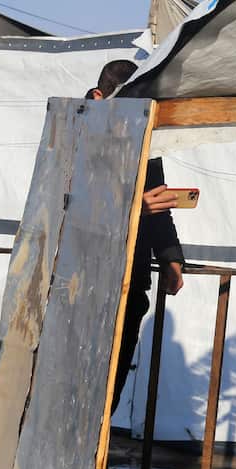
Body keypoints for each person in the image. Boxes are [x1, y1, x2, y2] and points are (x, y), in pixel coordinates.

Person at [86, 59, 185, 413]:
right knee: (80, 380)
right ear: (99, 96)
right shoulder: (73, 134)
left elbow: (158, 205)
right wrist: (130, 207)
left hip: (130, 280)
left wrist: (171, 257)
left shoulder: (143, 135)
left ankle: (99, 457)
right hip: (82, 285)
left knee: (111, 385)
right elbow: (72, 206)